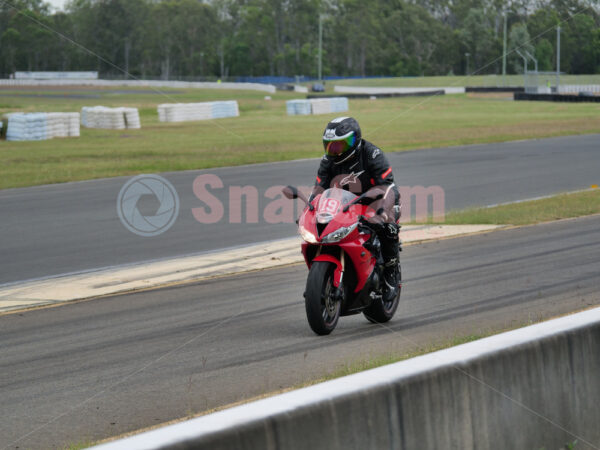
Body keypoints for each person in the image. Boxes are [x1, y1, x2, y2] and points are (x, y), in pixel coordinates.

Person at [309, 116, 401, 302]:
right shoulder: (328, 161)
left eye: (339, 145)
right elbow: (319, 188)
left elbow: (388, 187)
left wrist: (382, 211)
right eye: (329, 145)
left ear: (354, 140)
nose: (334, 151)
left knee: (387, 227)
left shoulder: (372, 154)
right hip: (345, 204)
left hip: (377, 200)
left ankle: (391, 274)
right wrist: (310, 207)